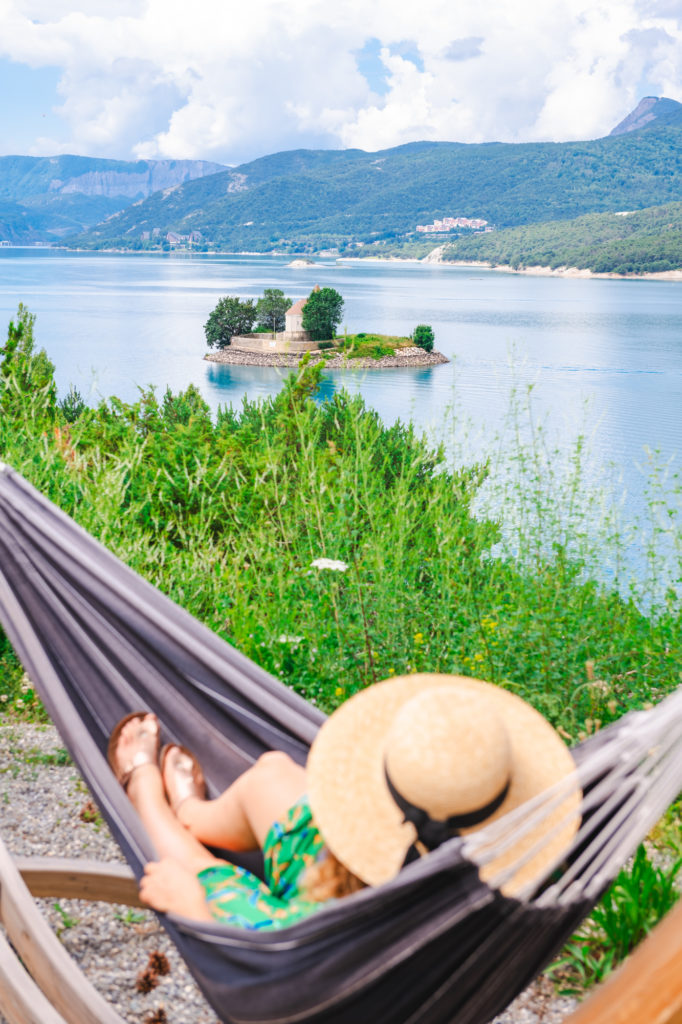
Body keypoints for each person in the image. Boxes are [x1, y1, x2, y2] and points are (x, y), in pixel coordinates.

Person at [108, 674, 580, 927]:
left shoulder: (327, 947)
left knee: (196, 869)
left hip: (307, 935)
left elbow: (266, 988)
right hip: (358, 877)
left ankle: (146, 791)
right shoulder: (503, 886)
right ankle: (192, 813)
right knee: (271, 771)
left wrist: (194, 910)